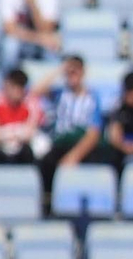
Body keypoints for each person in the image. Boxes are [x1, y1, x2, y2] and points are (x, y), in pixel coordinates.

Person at [37, 54, 115, 193]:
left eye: (75, 71)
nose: (72, 75)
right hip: (61, 142)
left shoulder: (92, 97)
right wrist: (60, 70)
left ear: (83, 72)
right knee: (45, 163)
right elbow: (36, 91)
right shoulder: (60, 93)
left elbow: (94, 132)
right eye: (69, 71)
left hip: (82, 144)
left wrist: (74, 156)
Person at [0, 68, 43, 169]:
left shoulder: (31, 102)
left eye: (21, 87)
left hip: (21, 145)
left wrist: (11, 136)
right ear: (7, 85)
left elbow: (30, 132)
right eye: (14, 86)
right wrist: (11, 135)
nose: (17, 91)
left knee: (28, 152)